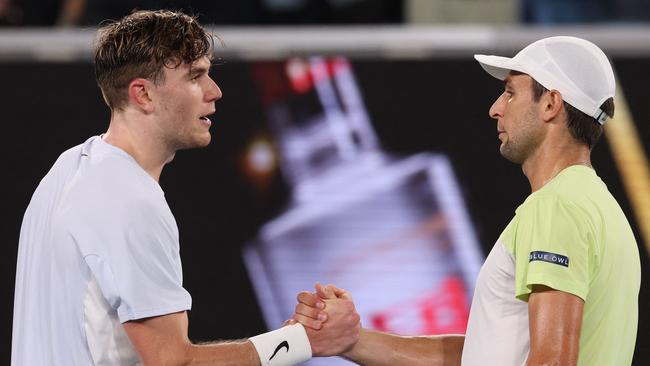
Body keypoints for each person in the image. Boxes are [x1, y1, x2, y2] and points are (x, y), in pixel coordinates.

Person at [11, 9, 360, 366]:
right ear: (143, 94)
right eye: (196, 77)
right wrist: (304, 342)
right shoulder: (130, 201)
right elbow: (174, 361)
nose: (215, 92)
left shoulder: (69, 167)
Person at [293, 36, 641, 365]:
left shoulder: (556, 206)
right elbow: (483, 355)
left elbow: (551, 361)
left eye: (509, 93)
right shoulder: (600, 209)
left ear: (550, 104)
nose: (495, 109)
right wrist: (354, 340)